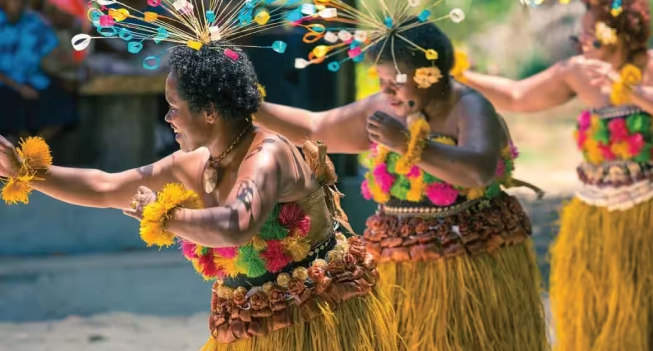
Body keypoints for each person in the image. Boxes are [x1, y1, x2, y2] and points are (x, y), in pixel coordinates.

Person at [0, 46, 396, 351]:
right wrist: (27, 172)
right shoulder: (194, 162)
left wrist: (163, 216)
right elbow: (106, 187)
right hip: (251, 321)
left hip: (322, 319)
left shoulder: (267, 155)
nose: (168, 118)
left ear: (209, 111)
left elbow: (236, 224)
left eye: (174, 108)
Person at [255, 19, 548, 351]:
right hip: (399, 257)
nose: (387, 91)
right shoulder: (384, 107)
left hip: (471, 255)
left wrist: (409, 144)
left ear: (430, 73)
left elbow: (478, 171)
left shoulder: (469, 105)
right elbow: (315, 126)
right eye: (381, 81)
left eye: (396, 82)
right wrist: (253, 106)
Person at [464, 0, 653, 351]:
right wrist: (460, 74)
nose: (584, 43)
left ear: (622, 33)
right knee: (601, 315)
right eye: (582, 35)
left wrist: (633, 92)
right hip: (597, 215)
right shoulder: (578, 71)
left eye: (592, 36)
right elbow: (517, 95)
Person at [0, 0, 78, 142]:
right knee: (10, 108)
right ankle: (20, 151)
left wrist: (71, 62)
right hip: (6, 85)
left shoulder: (34, 22)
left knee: (64, 107)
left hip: (34, 82)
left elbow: (55, 50)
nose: (20, 3)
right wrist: (19, 88)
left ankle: (29, 153)